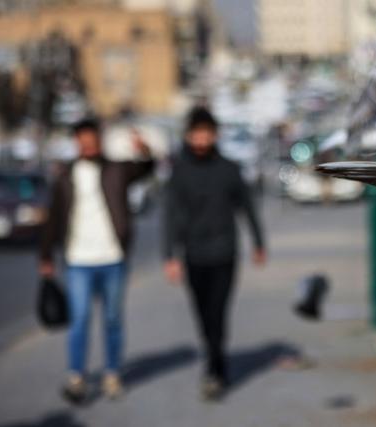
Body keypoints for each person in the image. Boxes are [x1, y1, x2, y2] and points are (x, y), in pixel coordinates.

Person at [39, 118, 154, 403]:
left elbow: (147, 168)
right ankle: (76, 376)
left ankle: (112, 373)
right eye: (82, 138)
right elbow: (53, 217)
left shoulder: (118, 169)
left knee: (113, 319)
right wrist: (45, 254)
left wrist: (145, 150)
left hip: (113, 257)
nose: (87, 142)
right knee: (79, 320)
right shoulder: (65, 175)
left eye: (91, 137)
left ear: (99, 140)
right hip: (78, 259)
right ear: (76, 141)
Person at [163, 107, 265, 400]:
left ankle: (215, 369)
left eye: (206, 132)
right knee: (203, 314)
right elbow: (171, 215)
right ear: (189, 135)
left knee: (218, 312)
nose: (201, 139)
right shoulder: (179, 172)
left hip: (224, 253)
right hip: (193, 255)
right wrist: (169, 256)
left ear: (215, 134)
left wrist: (258, 243)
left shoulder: (229, 169)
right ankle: (214, 356)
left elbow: (247, 207)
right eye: (196, 133)